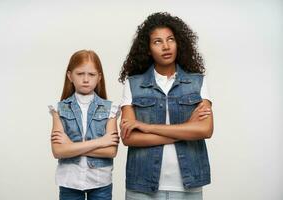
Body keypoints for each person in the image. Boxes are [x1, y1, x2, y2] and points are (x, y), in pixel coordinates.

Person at [119, 12, 214, 200]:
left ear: (179, 43)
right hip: (142, 186)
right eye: (157, 42)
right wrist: (186, 130)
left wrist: (147, 127)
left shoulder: (197, 82)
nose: (166, 46)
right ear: (147, 49)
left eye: (170, 39)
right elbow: (129, 138)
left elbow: (205, 129)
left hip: (188, 186)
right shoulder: (133, 84)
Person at [48, 50, 119, 200]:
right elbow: (58, 151)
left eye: (91, 75)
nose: (86, 79)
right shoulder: (59, 109)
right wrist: (101, 142)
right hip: (69, 181)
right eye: (80, 74)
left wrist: (71, 147)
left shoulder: (110, 109)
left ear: (99, 77)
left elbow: (111, 151)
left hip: (100, 181)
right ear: (70, 76)